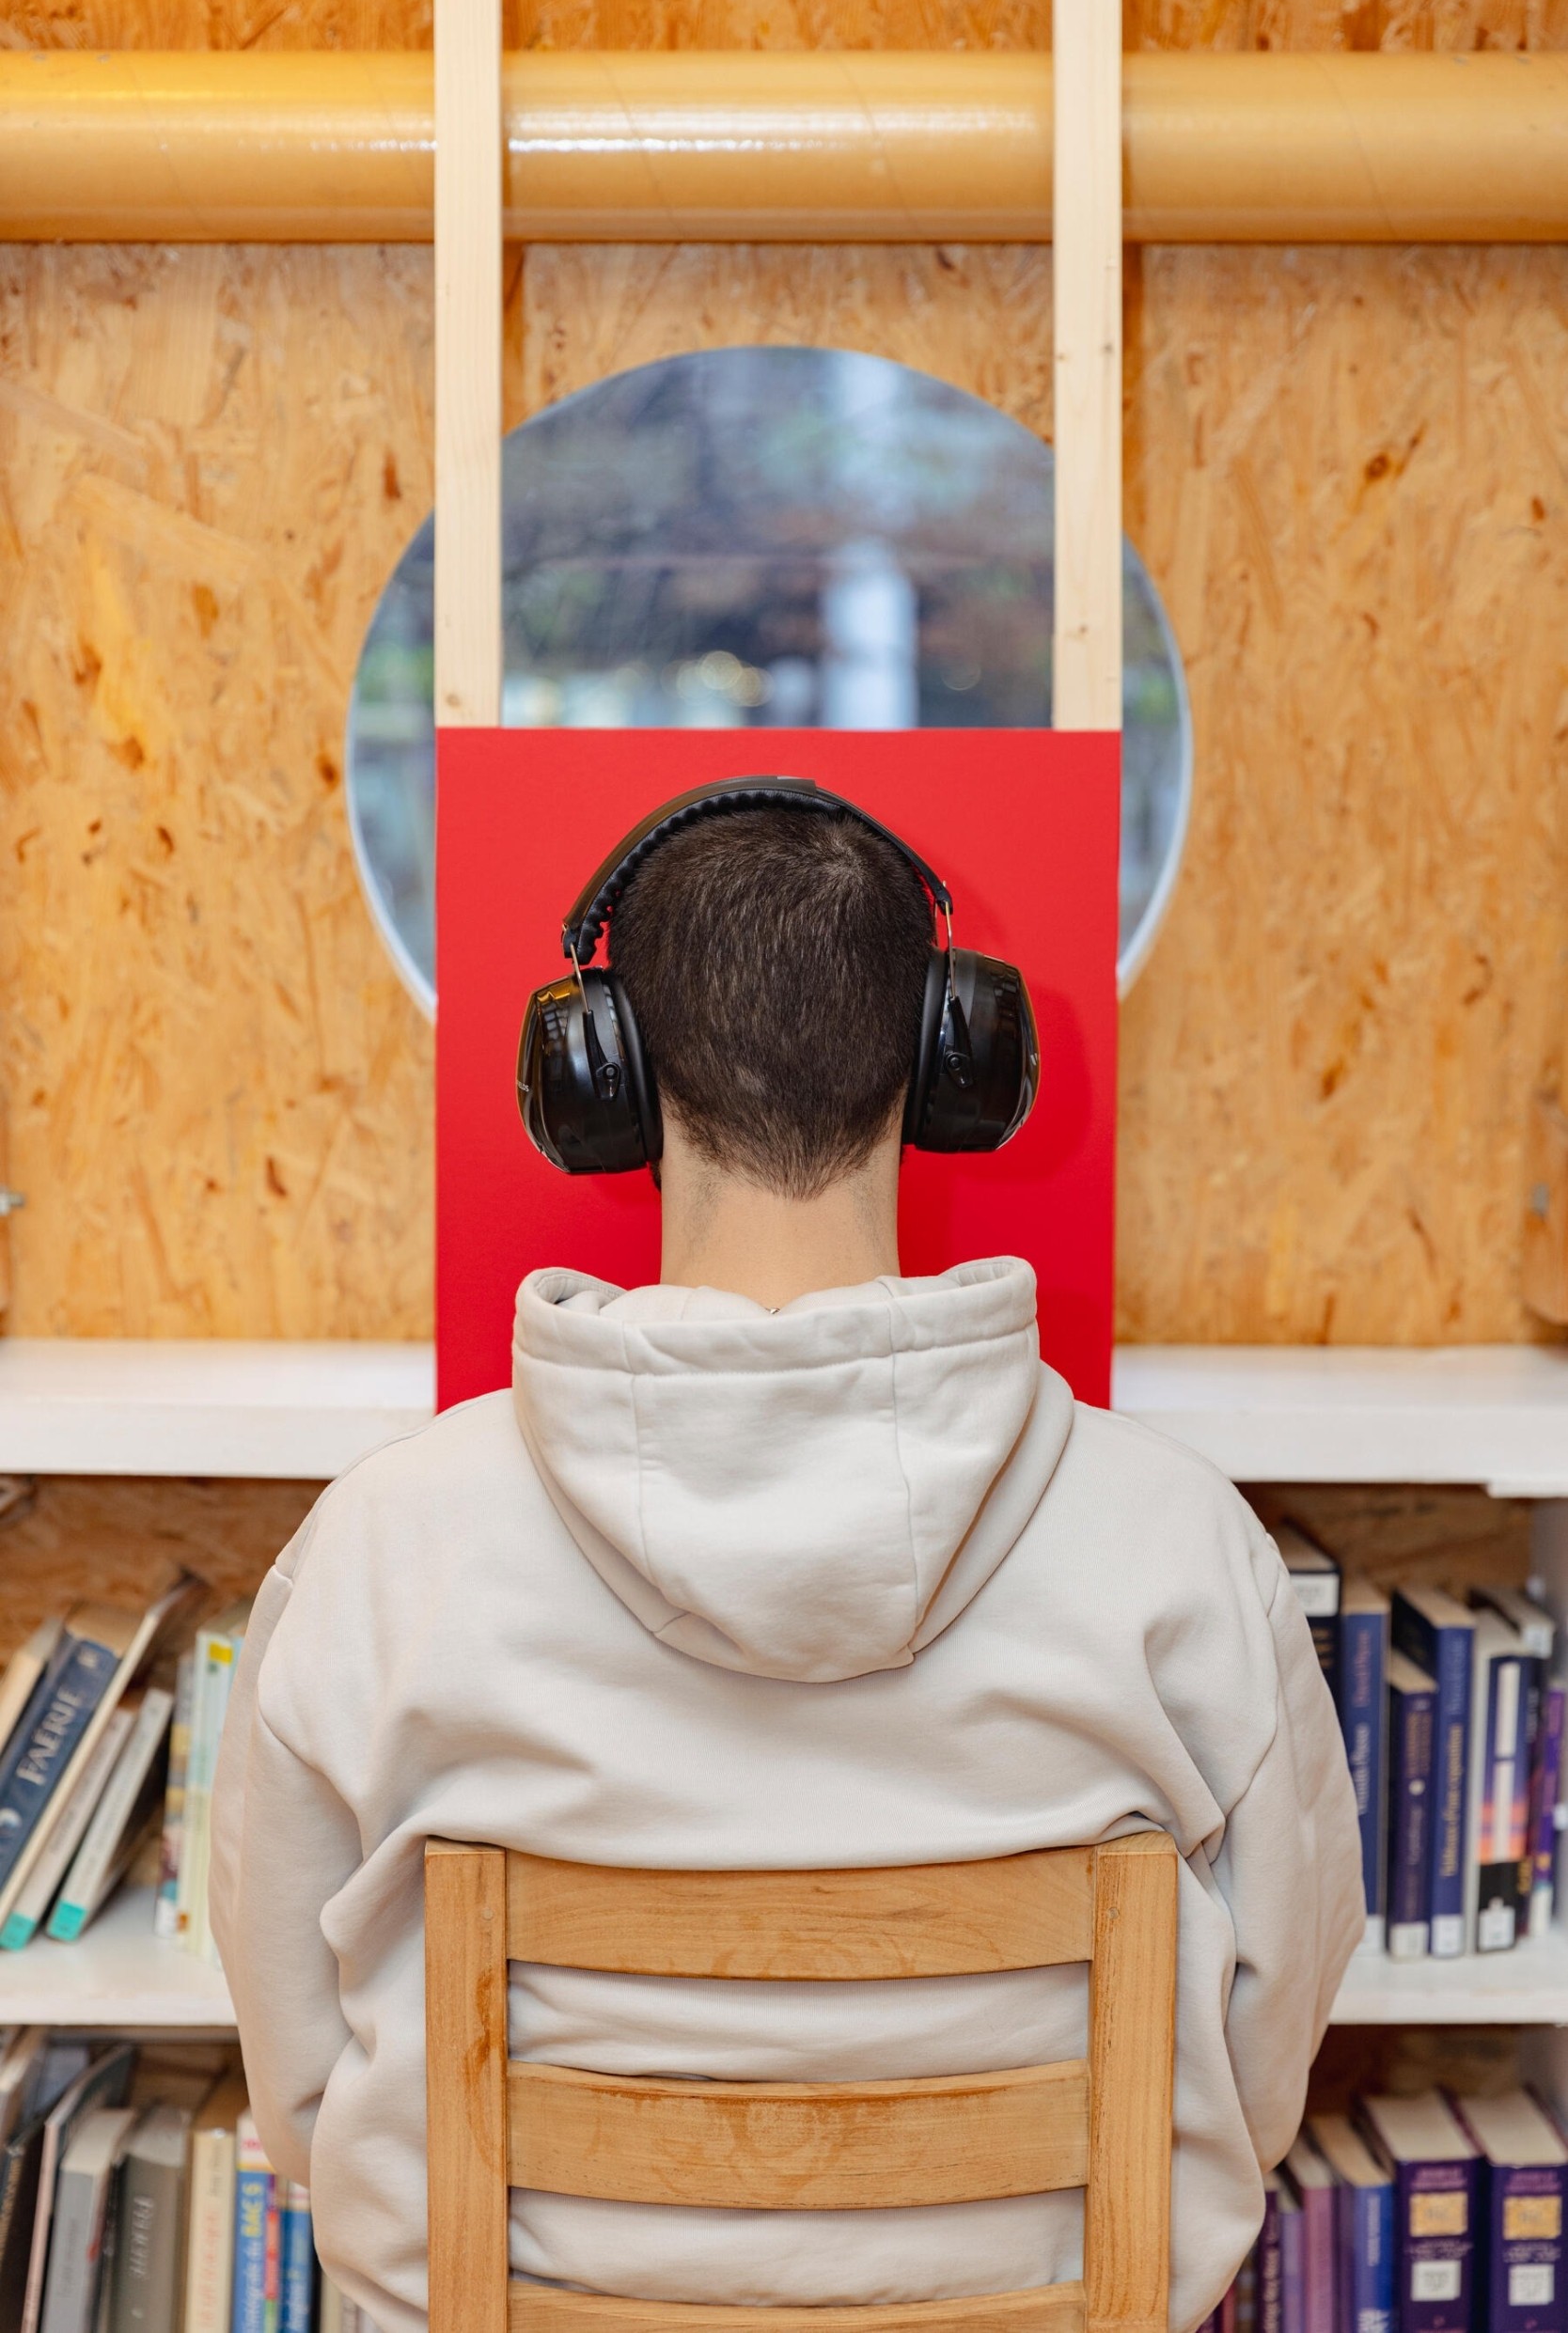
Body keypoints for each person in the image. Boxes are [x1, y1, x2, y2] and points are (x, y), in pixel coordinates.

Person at [210, 789, 1363, 2333]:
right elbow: (1268, 2043)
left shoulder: (383, 1549)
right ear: (956, 1061)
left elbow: (298, 2090)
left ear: (596, 1077)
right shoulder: (1178, 1542)